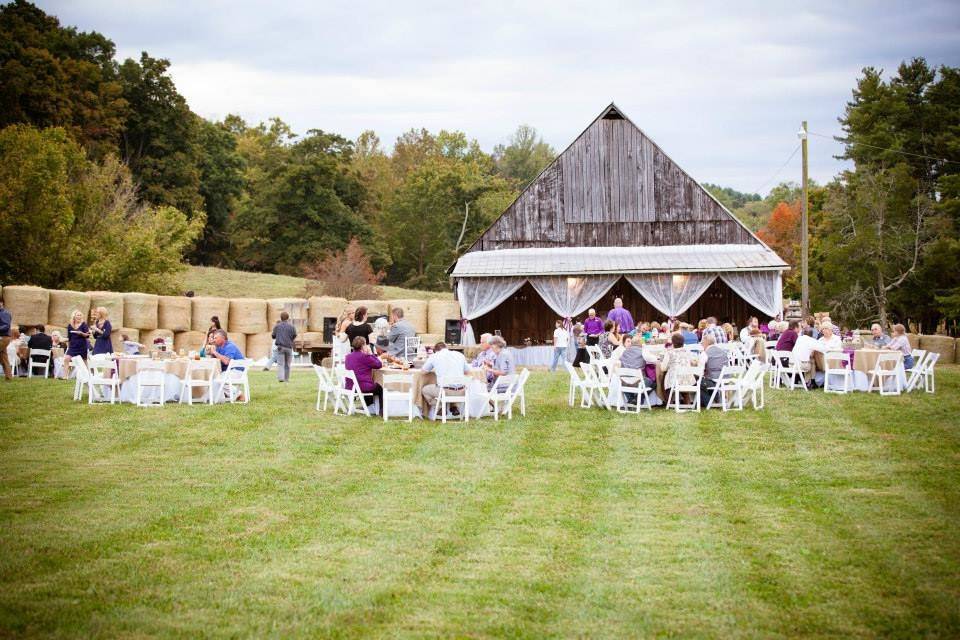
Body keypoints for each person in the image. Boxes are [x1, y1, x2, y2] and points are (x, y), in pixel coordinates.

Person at [421, 341, 471, 416]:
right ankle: (454, 407)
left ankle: (441, 407)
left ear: (436, 350)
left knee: (424, 390)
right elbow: (467, 372)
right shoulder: (459, 354)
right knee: (450, 386)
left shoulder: (435, 356)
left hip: (445, 391)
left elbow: (423, 372)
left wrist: (435, 368)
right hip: (462, 391)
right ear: (447, 348)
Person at [344, 336, 383, 414]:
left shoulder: (348, 357)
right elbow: (379, 364)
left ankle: (369, 406)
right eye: (366, 344)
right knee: (380, 388)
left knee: (367, 383)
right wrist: (370, 353)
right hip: (361, 387)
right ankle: (381, 410)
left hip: (350, 386)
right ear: (362, 346)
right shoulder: (365, 356)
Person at [662, 333, 696, 401]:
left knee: (663, 377)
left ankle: (668, 401)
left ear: (673, 343)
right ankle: (687, 401)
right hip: (688, 380)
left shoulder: (669, 353)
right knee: (682, 378)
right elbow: (693, 363)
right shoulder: (687, 351)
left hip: (674, 381)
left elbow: (663, 368)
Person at [699, 334, 728, 407]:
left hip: (713, 379)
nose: (701, 344)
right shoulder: (723, 352)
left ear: (706, 342)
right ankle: (714, 399)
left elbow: (700, 369)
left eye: (702, 342)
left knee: (697, 382)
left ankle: (710, 402)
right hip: (725, 379)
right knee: (704, 382)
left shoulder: (705, 353)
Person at [272, 311, 298, 382]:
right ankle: (286, 379)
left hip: (280, 347)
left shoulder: (277, 326)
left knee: (280, 364)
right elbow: (295, 335)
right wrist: (290, 340)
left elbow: (273, 336)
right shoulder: (292, 326)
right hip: (289, 347)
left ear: (281, 318)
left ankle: (281, 378)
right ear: (288, 318)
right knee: (287, 364)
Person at [0, 301, 12, 380]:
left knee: (4, 357)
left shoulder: (4, 313)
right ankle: (8, 377)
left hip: (3, 337)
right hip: (3, 337)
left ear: (1, 303)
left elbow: (6, 326)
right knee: (4, 357)